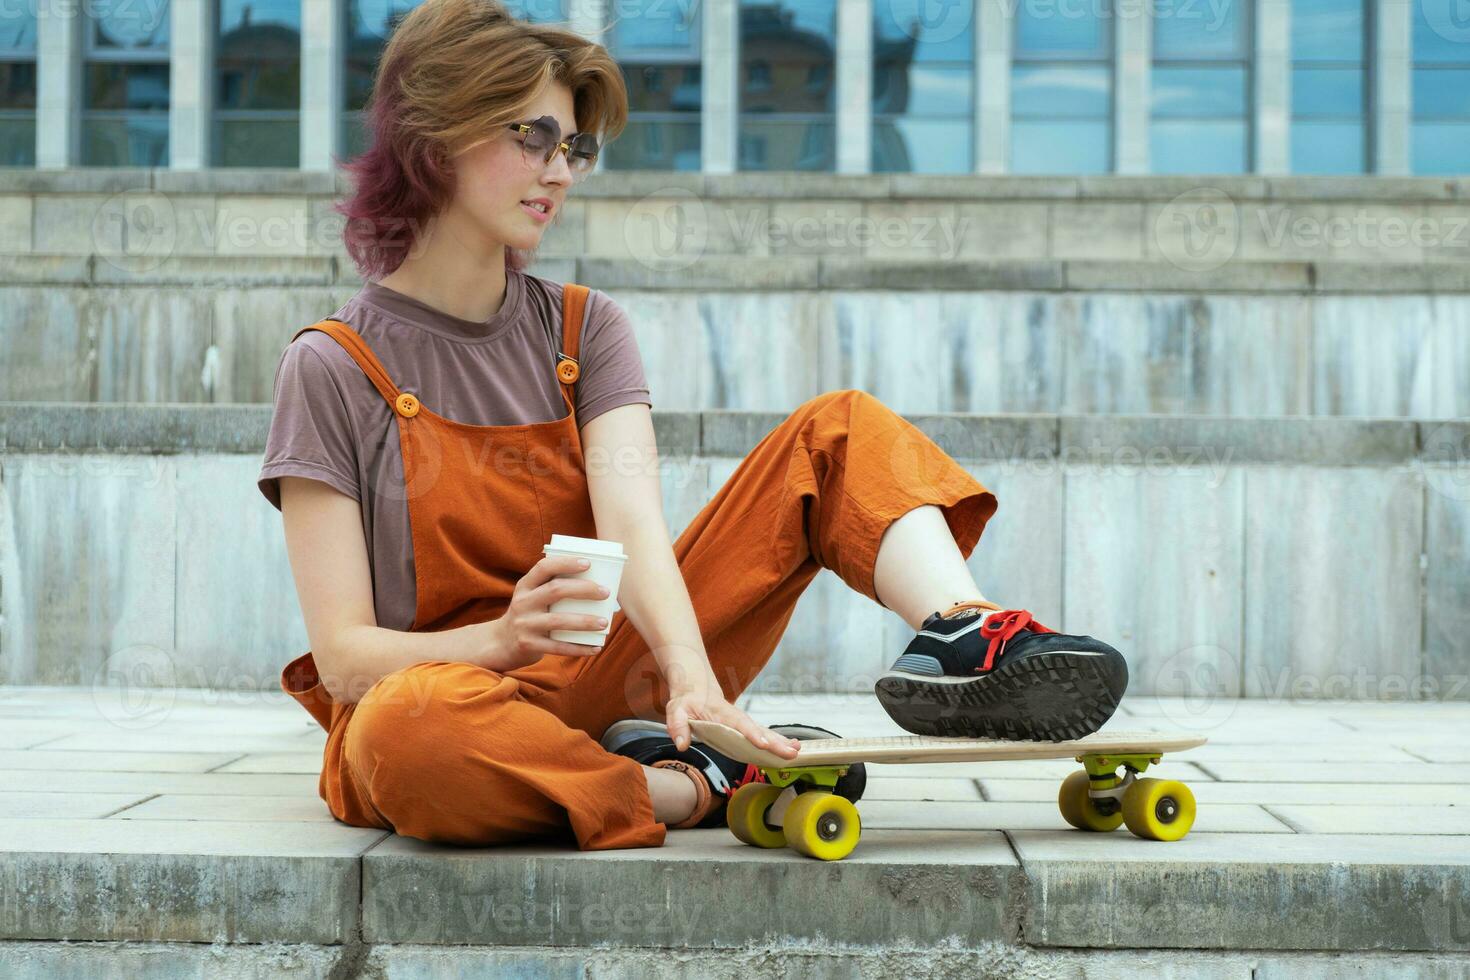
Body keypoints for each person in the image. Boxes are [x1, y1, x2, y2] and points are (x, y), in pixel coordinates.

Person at [257, 0, 1128, 851]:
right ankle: (694, 784)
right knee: (404, 734)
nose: (560, 171)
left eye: (574, 147)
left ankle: (964, 633)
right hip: (453, 701)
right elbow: (344, 659)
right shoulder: (334, 366)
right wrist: (501, 639)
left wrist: (691, 677)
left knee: (839, 430)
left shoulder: (584, 329)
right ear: (435, 135)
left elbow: (633, 525)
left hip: (611, 674)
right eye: (531, 138)